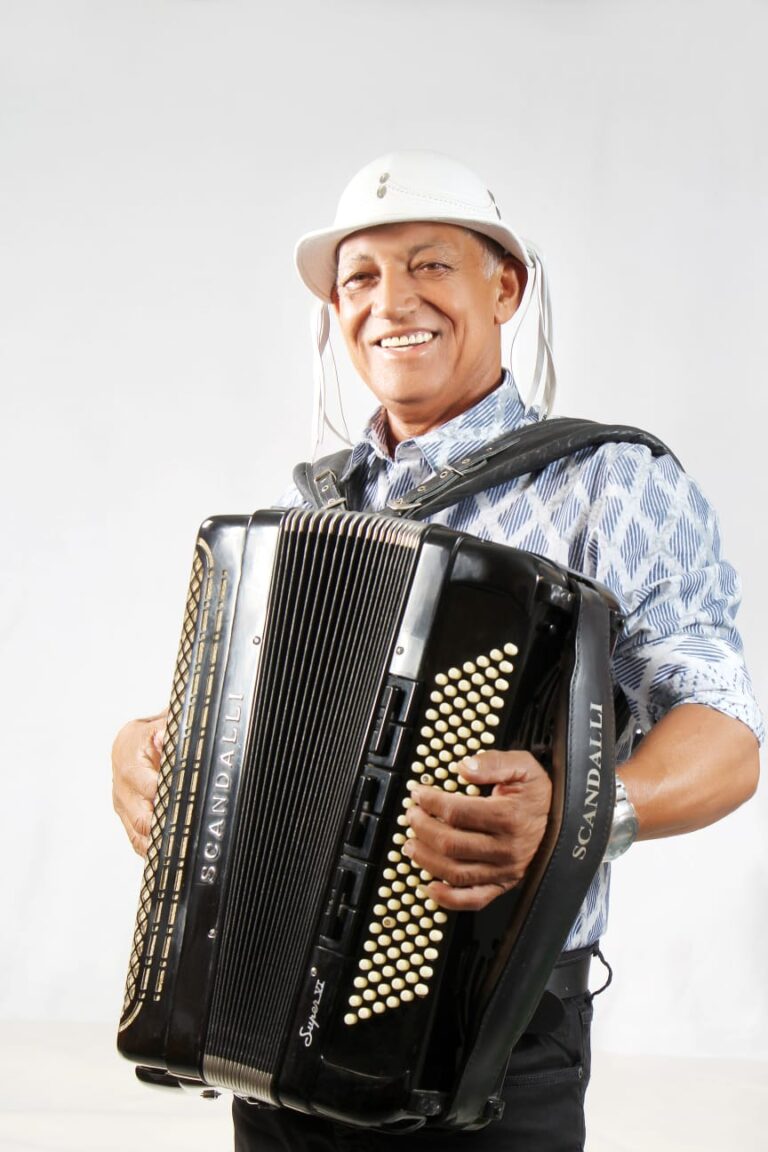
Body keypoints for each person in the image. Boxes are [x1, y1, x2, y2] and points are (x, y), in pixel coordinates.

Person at [112, 151, 762, 1151]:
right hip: (268, 1042)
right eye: (361, 278)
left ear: (506, 288)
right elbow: (254, 730)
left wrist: (580, 812)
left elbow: (726, 732)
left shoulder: (611, 482)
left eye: (429, 265)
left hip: (489, 1040)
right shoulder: (308, 509)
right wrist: (154, 751)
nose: (391, 302)